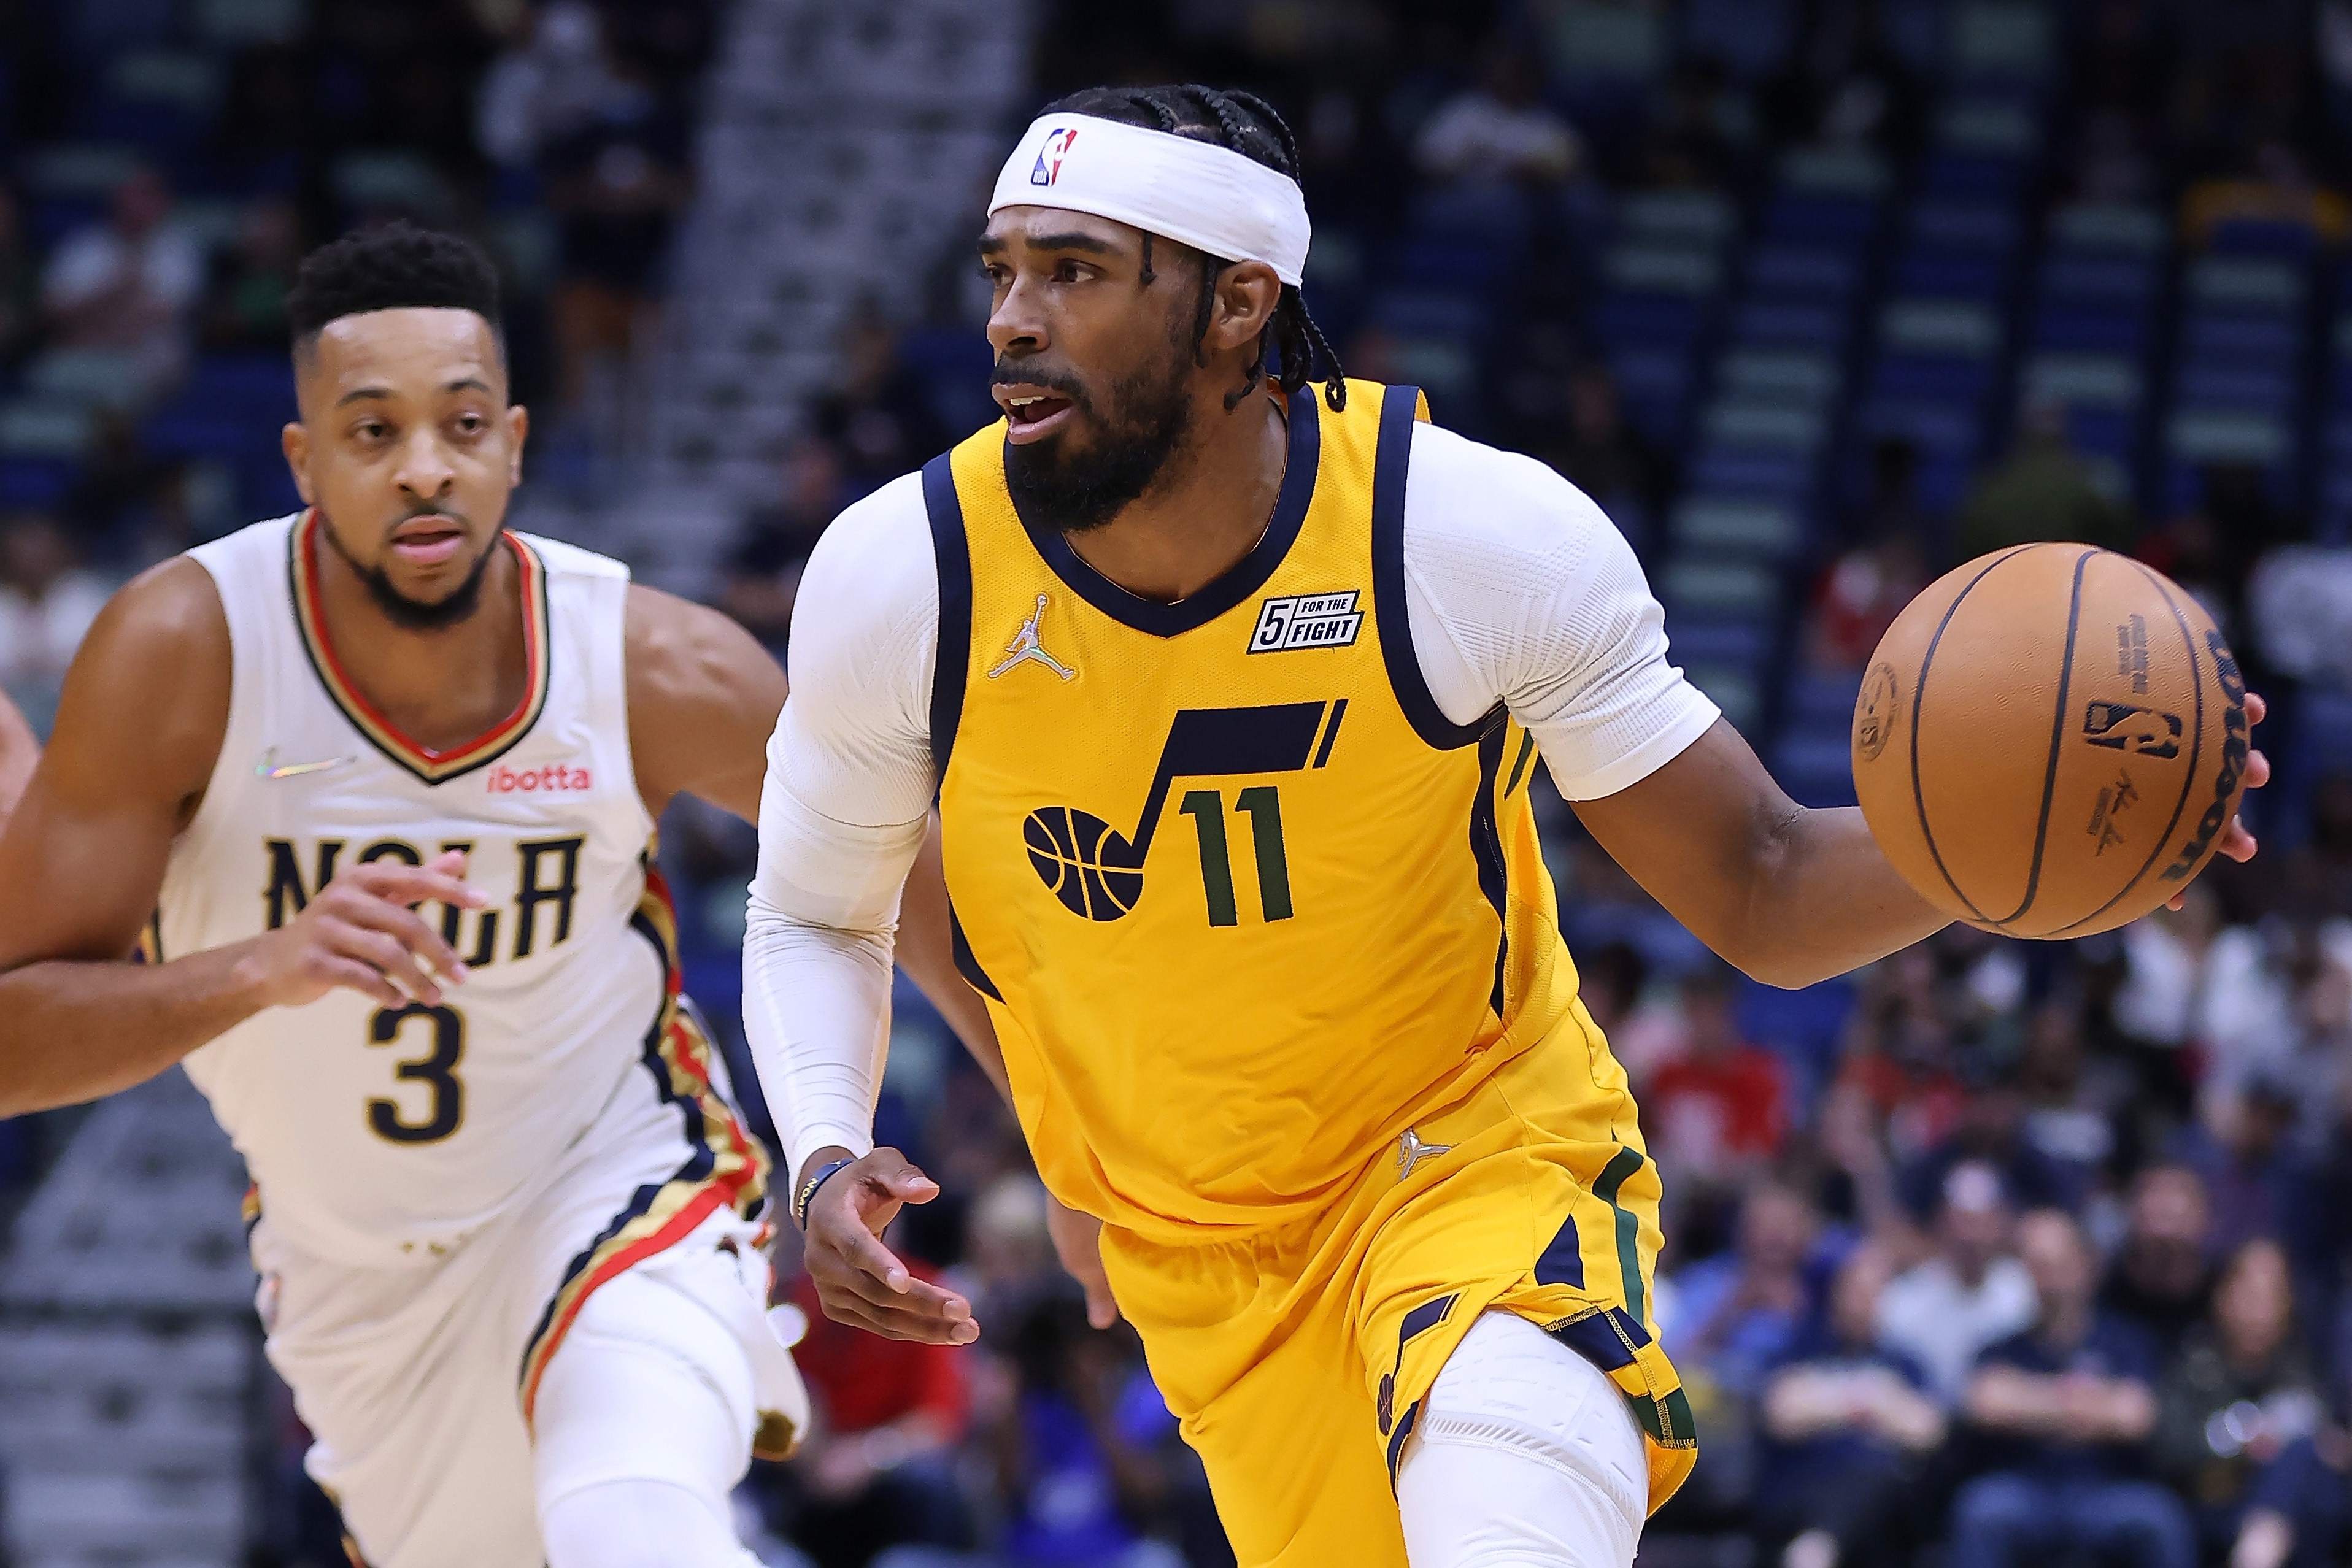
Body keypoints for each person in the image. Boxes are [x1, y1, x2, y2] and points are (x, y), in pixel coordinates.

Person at [746, 85, 2265, 1568]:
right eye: (1002, 271)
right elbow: (829, 906)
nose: (1010, 317)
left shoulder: (1458, 537)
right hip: (1200, 1257)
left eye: (1073, 271)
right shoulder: (904, 576)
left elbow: (1763, 881)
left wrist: (2030, 839)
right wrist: (826, 1149)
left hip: (1474, 1154)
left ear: (1233, 304)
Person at [0, 224, 984, 1568]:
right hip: (360, 1287)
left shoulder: (650, 665)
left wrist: (1079, 1160)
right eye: (371, 431)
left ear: (514, 445)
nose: (424, 469)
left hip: (625, 1191)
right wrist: (259, 970)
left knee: (635, 1520)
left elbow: (917, 876)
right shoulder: (185, 658)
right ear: (301, 460)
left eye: (462, 426)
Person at [1946, 1209, 2193, 1568]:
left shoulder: (2127, 1341)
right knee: (1981, 1511)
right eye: (2035, 1265)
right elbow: (1986, 1403)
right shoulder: (2001, 1348)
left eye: (2057, 1263)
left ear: (2085, 1265)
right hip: (2024, 1487)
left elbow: (2135, 1416)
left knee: (2159, 1518)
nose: (2046, 1277)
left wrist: (2029, 1404)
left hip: (2106, 1489)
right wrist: (2085, 1404)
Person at [1756, 1243, 1945, 1568]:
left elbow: (1927, 1432)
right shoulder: (1803, 1346)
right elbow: (1781, 1413)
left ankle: (1817, 1548)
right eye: (1857, 1291)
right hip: (1803, 1487)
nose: (1866, 1302)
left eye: (1876, 1292)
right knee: (1860, 1476)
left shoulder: (1902, 1361)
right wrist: (1873, 1399)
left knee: (1877, 1476)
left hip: (1886, 1504)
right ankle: (1820, 1545)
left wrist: (1826, 1400)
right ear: (1836, 1293)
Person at [2154, 1239, 2338, 1568]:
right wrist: (2240, 1442)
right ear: (2222, 1297)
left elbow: (2325, 1441)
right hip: (2214, 1498)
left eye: (2272, 1297)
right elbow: (2171, 1448)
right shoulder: (2194, 1363)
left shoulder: (2300, 1369)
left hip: (2289, 1507)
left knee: (2305, 1465)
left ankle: (2259, 1547)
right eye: (2250, 1295)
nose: (2259, 1310)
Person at [1873, 1162, 2036, 1406]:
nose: (1971, 1236)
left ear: (2000, 1224)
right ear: (1941, 1223)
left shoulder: (2024, 1290)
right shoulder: (1905, 1299)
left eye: (1983, 1221)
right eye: (1961, 1221)